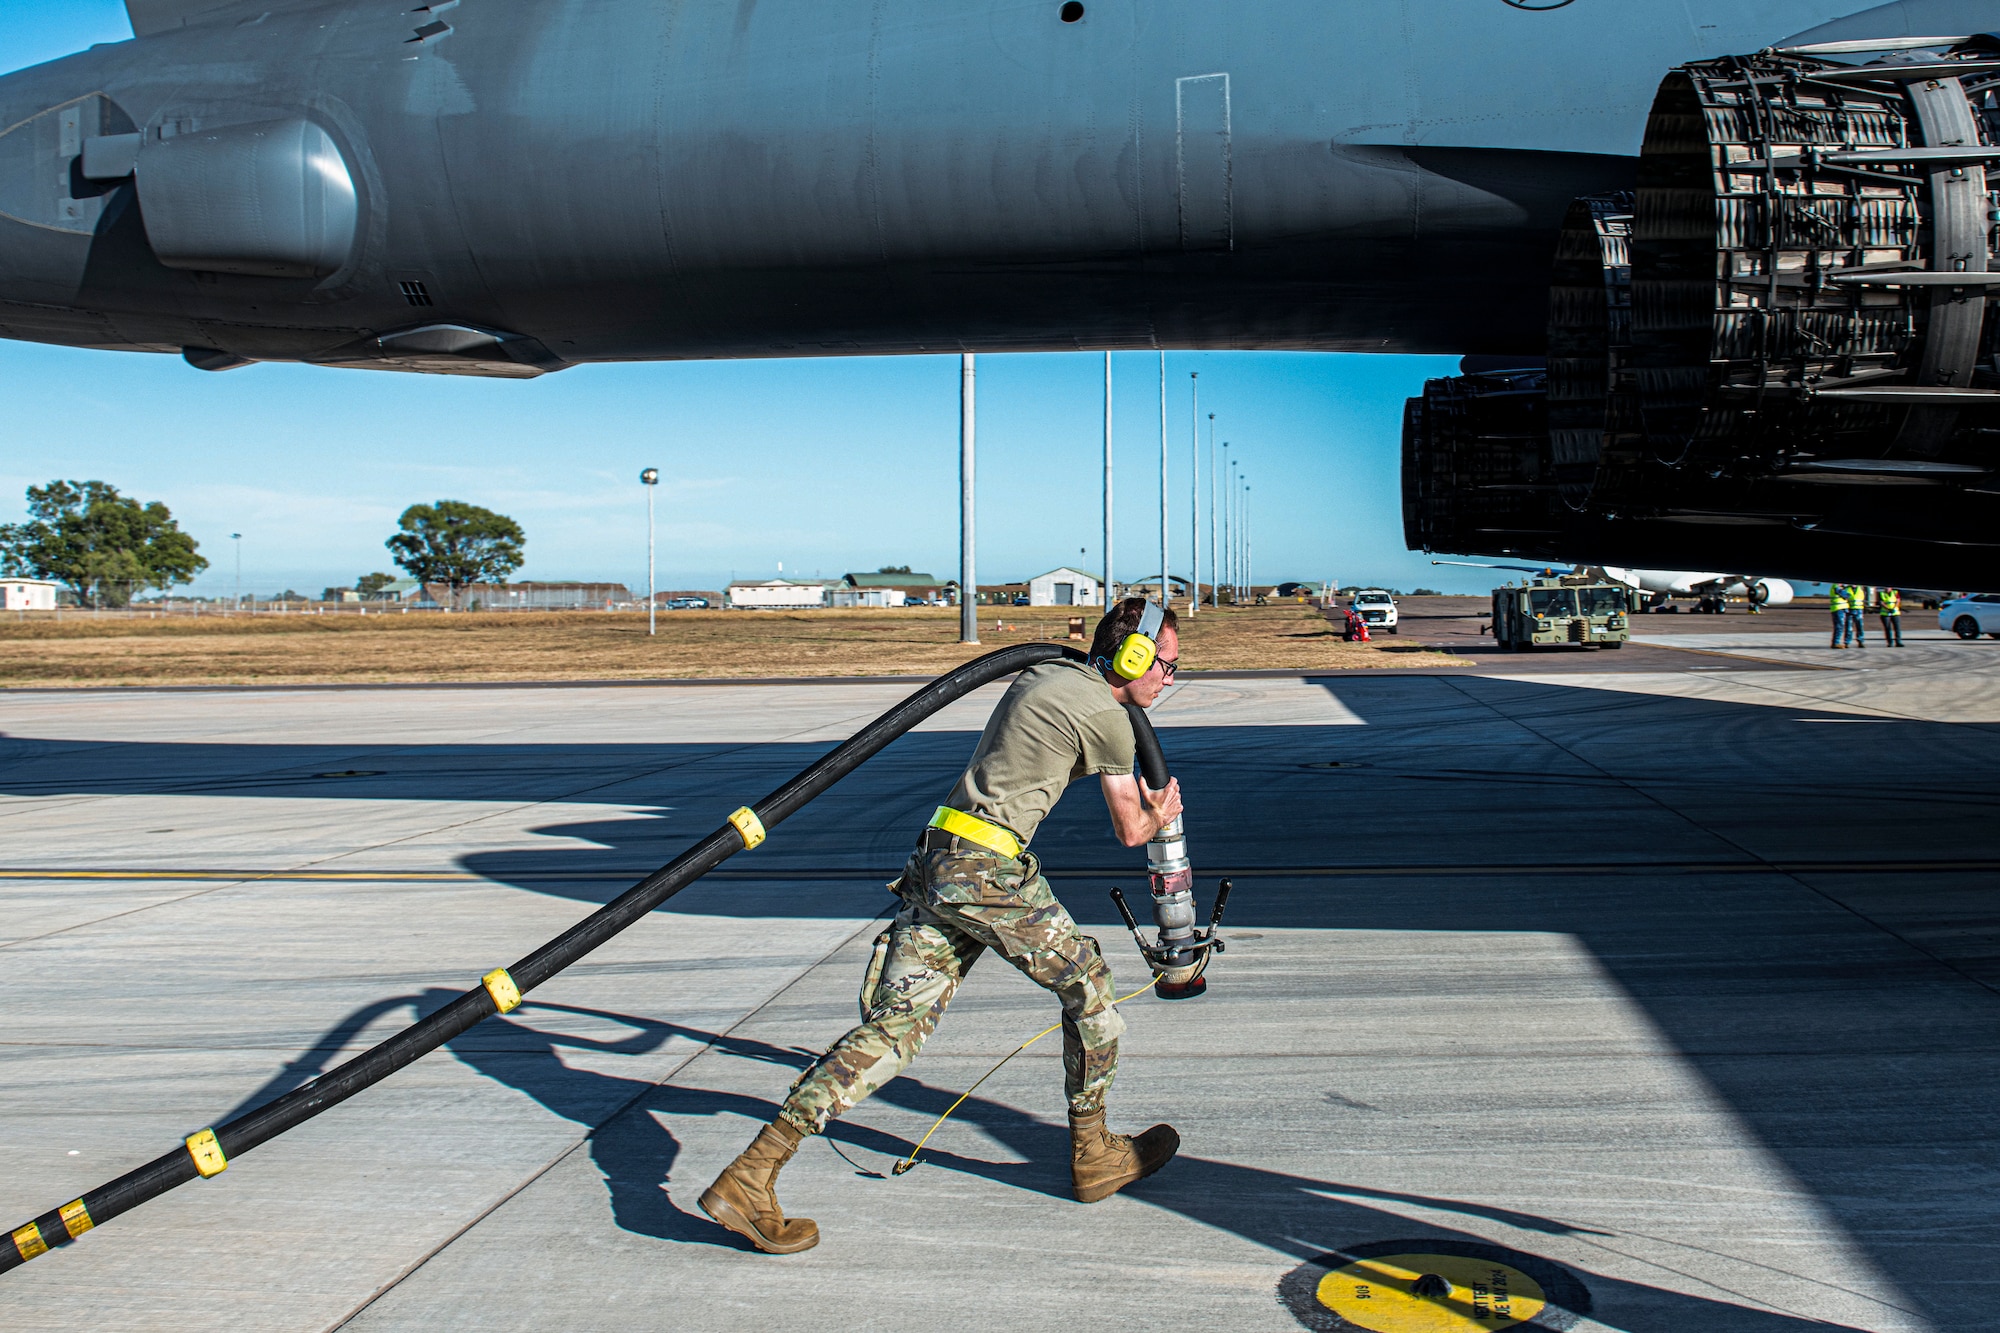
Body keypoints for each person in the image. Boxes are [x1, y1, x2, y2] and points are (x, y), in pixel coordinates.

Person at [698, 597, 1186, 1254]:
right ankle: (1094, 1150)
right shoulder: (1111, 718)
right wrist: (1163, 813)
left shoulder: (1042, 675)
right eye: (1168, 665)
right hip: (986, 870)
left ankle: (752, 1174)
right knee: (1091, 988)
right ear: (1132, 656)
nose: (1169, 680)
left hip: (939, 859)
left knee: (891, 1032)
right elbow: (1131, 827)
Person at [1828, 583, 1850, 648]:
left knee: (1838, 626)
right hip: (1838, 608)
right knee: (1839, 626)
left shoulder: (1836, 586)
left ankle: (1835, 642)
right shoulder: (1836, 586)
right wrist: (1846, 593)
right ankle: (1836, 643)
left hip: (1838, 608)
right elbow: (1845, 595)